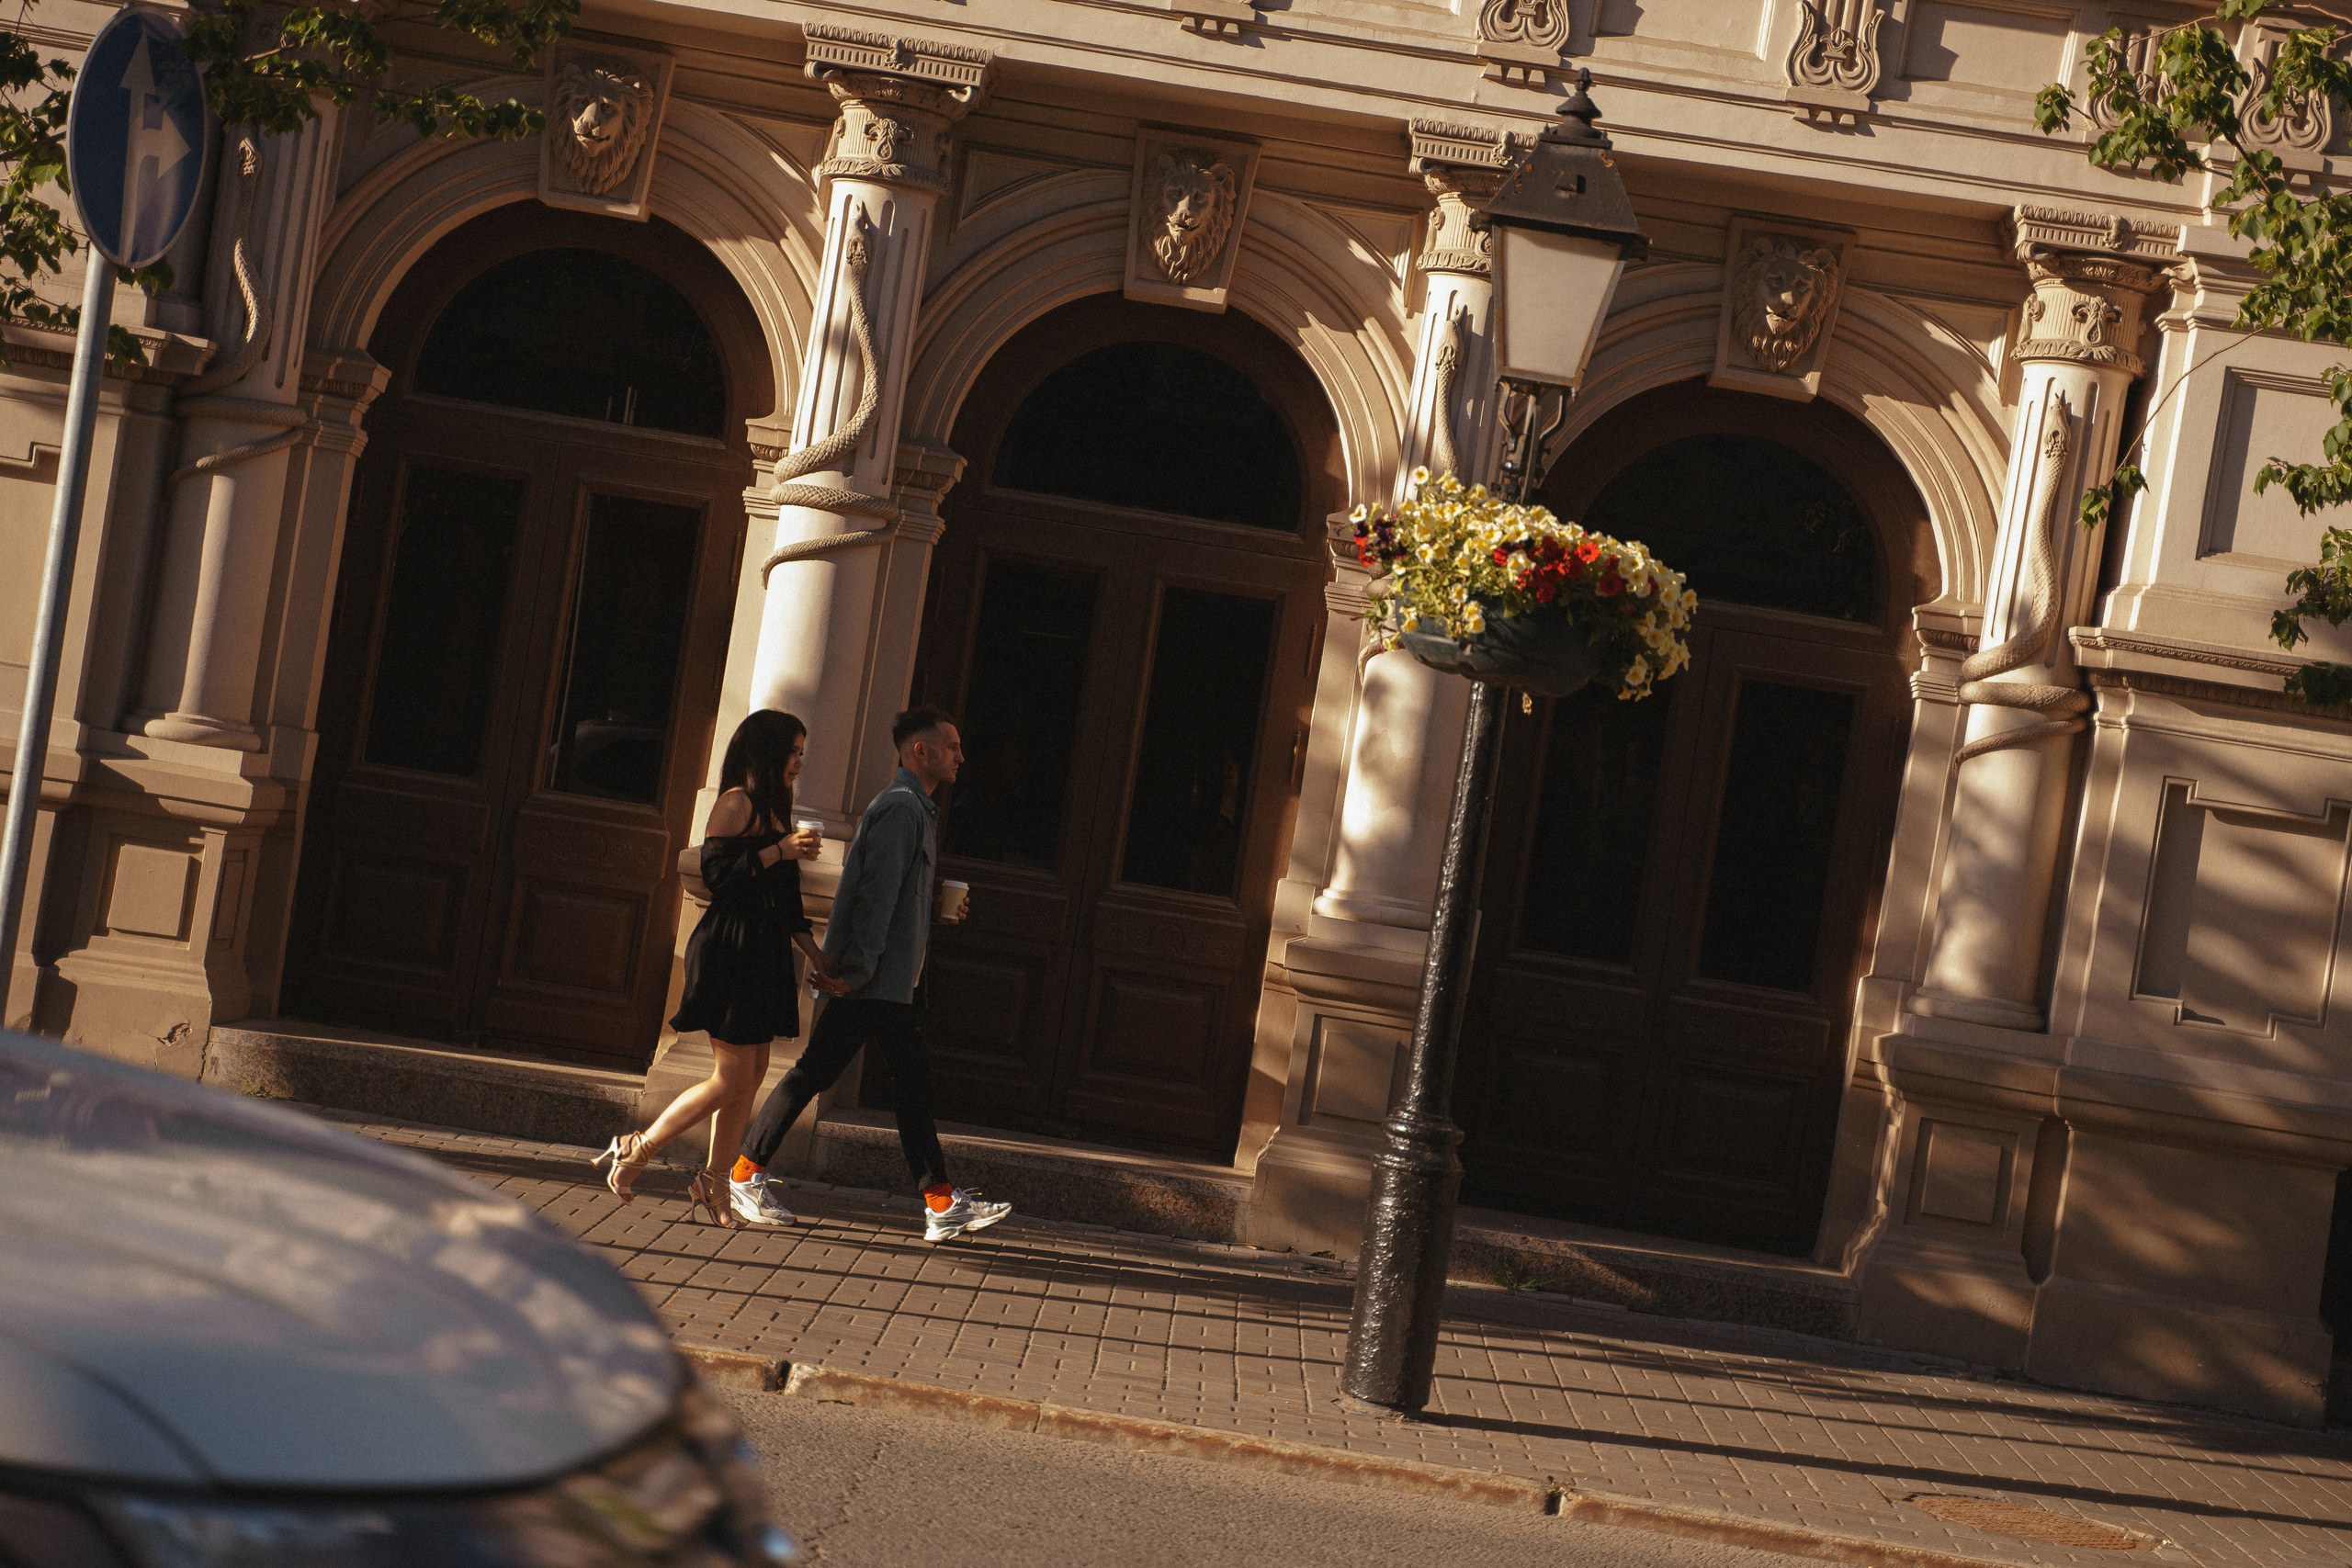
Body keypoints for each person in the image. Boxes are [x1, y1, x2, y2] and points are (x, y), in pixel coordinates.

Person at [728, 705, 1012, 1243]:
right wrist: (855, 972)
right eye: (951, 746)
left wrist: (928, 910)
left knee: (901, 1085)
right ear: (919, 752)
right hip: (875, 979)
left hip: (887, 977)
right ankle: (746, 1174)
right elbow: (873, 899)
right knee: (824, 1074)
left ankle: (940, 1202)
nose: (960, 756)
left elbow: (894, 894)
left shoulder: (913, 809)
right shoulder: (904, 809)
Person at [590, 709, 838, 1225]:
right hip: (730, 947)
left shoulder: (776, 808)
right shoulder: (736, 803)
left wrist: (814, 954)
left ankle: (713, 1182)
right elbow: (716, 873)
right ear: (768, 752)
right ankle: (638, 1145)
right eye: (793, 752)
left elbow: (785, 898)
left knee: (753, 1075)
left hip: (767, 950)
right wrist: (779, 850)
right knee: (730, 1078)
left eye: (801, 752)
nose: (798, 762)